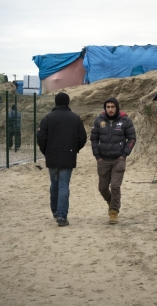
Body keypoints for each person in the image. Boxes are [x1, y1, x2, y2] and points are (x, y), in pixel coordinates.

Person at [37, 92, 87, 227]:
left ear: (55, 102)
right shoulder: (75, 118)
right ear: (68, 102)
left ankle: (55, 211)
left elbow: (41, 138)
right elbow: (82, 138)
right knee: (64, 184)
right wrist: (74, 149)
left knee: (54, 184)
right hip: (68, 155)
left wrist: (46, 151)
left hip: (52, 156)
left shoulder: (47, 118)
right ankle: (61, 216)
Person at [90, 97, 136, 224]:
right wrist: (97, 156)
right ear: (105, 108)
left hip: (118, 159)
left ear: (117, 107)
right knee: (102, 188)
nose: (110, 109)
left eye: (112, 107)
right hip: (103, 159)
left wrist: (124, 154)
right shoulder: (99, 120)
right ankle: (112, 202)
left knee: (115, 186)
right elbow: (93, 139)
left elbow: (132, 138)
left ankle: (114, 212)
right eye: (108, 107)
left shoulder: (125, 120)